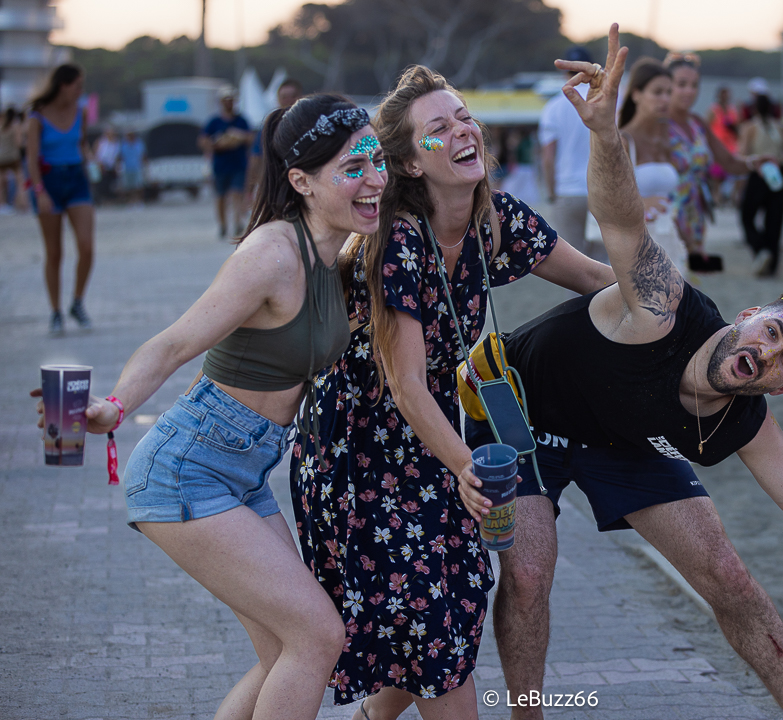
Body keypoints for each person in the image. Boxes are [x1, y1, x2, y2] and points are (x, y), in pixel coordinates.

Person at [459, 26, 783, 720]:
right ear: (749, 313)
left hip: (622, 440)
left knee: (731, 578)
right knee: (528, 574)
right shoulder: (663, 307)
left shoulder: (745, 415)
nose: (768, 352)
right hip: (521, 413)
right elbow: (619, 219)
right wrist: (607, 133)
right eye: (773, 332)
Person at [33, 94, 384, 720]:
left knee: (285, 648)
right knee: (317, 637)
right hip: (187, 470)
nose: (374, 181)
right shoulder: (273, 254)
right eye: (352, 170)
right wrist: (113, 406)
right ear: (301, 181)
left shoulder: (338, 254)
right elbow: (174, 341)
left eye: (375, 162)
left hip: (245, 472)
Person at [290, 65, 613, 720]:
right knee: (432, 641)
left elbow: (595, 280)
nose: (463, 130)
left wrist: (691, 315)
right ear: (408, 163)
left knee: (451, 613)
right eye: (439, 127)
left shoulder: (495, 221)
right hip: (359, 458)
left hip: (432, 449)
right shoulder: (397, 242)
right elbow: (405, 383)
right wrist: (466, 470)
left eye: (464, 116)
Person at [665, 52, 753, 273]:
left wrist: (756, 163)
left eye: (694, 85)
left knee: (686, 287)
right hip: (665, 216)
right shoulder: (655, 125)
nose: (689, 91)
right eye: (681, 84)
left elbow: (728, 161)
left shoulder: (697, 123)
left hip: (694, 213)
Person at [25, 64, 96, 334]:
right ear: (63, 85)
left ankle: (77, 302)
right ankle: (55, 311)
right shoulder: (37, 116)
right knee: (54, 253)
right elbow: (31, 158)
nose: (80, 91)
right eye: (77, 85)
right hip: (49, 181)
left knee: (87, 246)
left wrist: (92, 163)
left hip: (77, 178)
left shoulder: (81, 113)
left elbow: (81, 144)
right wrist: (39, 191)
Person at [617, 59, 688, 276]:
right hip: (635, 244)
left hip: (668, 238)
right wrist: (642, 202)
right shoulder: (623, 140)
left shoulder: (665, 138)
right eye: (657, 92)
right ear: (636, 94)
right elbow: (605, 195)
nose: (665, 99)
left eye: (669, 92)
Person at [539, 46, 606, 263]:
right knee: (604, 264)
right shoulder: (603, 103)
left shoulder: (553, 107)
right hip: (601, 189)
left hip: (567, 191)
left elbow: (548, 158)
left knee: (576, 267)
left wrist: (551, 193)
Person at [739, 93, 783, 277]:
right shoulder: (781, 127)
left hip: (758, 173)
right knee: (775, 220)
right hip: (778, 172)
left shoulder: (750, 127)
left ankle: (760, 248)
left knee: (747, 216)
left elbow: (743, 154)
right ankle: (772, 262)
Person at [200, 85, 252, 238]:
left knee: (237, 194)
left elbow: (250, 138)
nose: (229, 103)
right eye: (226, 100)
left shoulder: (241, 120)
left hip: (238, 163)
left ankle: (237, 223)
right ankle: (222, 224)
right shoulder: (214, 122)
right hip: (221, 165)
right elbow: (203, 141)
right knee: (221, 197)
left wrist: (238, 137)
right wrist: (217, 143)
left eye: (231, 100)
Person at [249, 78, 304, 199]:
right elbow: (256, 157)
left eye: (293, 96)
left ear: (301, 97)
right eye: (284, 97)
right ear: (278, 99)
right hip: (276, 184)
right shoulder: (269, 127)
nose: (289, 100)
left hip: (303, 184)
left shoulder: (310, 125)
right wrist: (255, 185)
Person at [0, 107, 25, 213]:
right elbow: (19, 143)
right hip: (13, 157)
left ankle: (2, 204)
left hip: (1, 156)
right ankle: (21, 203)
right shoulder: (15, 125)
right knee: (20, 181)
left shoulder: (1, 125)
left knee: (1, 182)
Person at [91, 125, 121, 203]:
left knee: (110, 184)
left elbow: (117, 156)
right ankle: (100, 199)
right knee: (100, 184)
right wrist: (98, 164)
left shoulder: (116, 143)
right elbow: (96, 154)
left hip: (111, 167)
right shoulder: (101, 142)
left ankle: (109, 199)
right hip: (101, 165)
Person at [118, 129, 146, 206]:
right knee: (129, 186)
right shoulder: (124, 144)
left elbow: (143, 155)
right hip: (127, 167)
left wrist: (145, 167)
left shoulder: (139, 143)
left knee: (138, 186)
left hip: (137, 167)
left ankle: (138, 201)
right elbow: (121, 156)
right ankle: (130, 201)